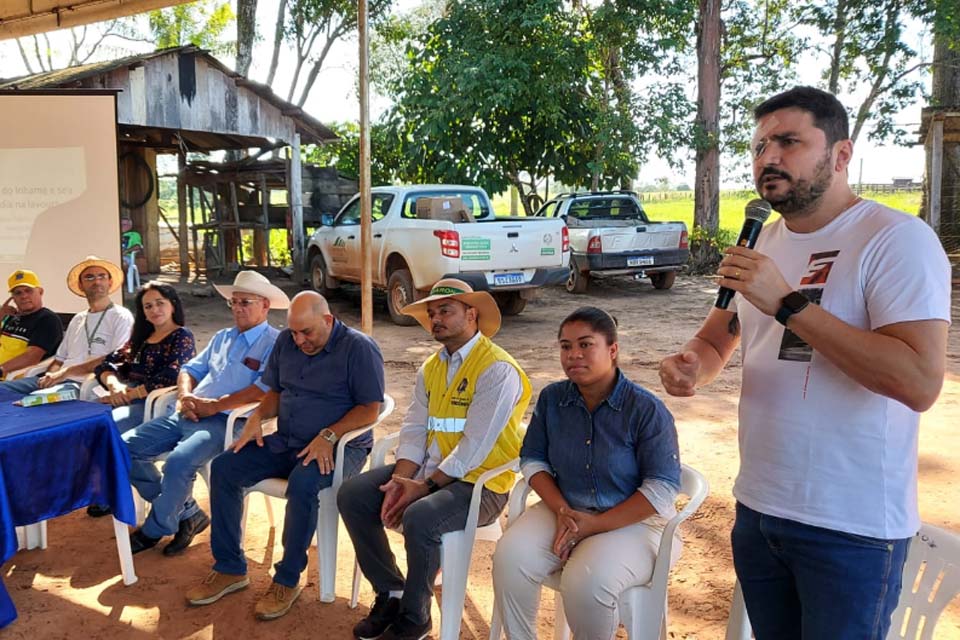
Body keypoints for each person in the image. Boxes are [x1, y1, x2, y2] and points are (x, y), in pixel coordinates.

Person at [658, 86, 950, 640]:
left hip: (850, 528)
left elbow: (918, 382)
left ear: (841, 155)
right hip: (761, 508)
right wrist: (691, 365)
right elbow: (720, 339)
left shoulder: (895, 240)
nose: (768, 157)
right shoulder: (763, 242)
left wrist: (789, 303)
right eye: (760, 144)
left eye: (789, 141)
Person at [339, 278, 531, 640]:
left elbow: (474, 446)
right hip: (431, 473)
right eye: (431, 313)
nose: (435, 319)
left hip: (481, 483)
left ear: (471, 315)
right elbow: (414, 429)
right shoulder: (431, 367)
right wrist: (402, 479)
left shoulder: (496, 369)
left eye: (445, 310)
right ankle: (391, 590)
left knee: (421, 516)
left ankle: (416, 616)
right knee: (353, 495)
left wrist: (422, 488)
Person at [185, 291, 385, 620]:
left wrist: (329, 435)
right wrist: (256, 416)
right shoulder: (286, 343)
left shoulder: (358, 347)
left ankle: (287, 580)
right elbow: (275, 393)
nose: (299, 340)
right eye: (293, 332)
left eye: (307, 332)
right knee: (224, 468)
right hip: (288, 440)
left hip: (341, 446)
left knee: (304, 485)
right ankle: (230, 568)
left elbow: (370, 409)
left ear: (328, 320)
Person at [493, 307, 681, 640]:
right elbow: (533, 459)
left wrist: (594, 525)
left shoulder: (646, 409)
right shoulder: (553, 399)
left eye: (585, 344)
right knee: (510, 557)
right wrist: (562, 509)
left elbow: (661, 489)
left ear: (612, 350)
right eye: (565, 346)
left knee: (585, 581)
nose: (573, 355)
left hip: (636, 523)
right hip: (565, 508)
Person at [122, 270, 288, 557]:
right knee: (123, 448)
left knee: (179, 462)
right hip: (189, 412)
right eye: (233, 303)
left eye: (244, 302)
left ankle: (154, 528)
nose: (237, 308)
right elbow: (189, 369)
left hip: (226, 421)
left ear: (265, 305)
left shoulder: (276, 342)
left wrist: (215, 406)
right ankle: (188, 513)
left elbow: (264, 390)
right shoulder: (223, 336)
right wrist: (186, 395)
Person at [85, 282, 196, 518]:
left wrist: (129, 394)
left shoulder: (181, 337)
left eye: (160, 303)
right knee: (86, 424)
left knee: (107, 430)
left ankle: (178, 508)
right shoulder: (140, 338)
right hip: (127, 397)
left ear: (173, 305)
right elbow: (107, 365)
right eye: (148, 306)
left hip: (155, 404)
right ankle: (115, 489)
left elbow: (173, 376)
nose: (154, 310)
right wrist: (115, 386)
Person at [0, 256, 133, 395]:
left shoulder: (121, 316)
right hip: (58, 380)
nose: (96, 281)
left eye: (102, 276)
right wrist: (49, 378)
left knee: (36, 400)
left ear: (110, 282)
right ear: (81, 285)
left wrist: (65, 373)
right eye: (89, 277)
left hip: (87, 384)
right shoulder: (78, 319)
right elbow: (59, 360)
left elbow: (115, 359)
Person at [0, 269, 63, 380]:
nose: (23, 296)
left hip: (12, 379)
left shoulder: (47, 319)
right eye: (18, 293)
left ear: (40, 292)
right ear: (13, 298)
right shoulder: (10, 317)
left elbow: (31, 357)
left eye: (28, 290)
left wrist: (1, 369)